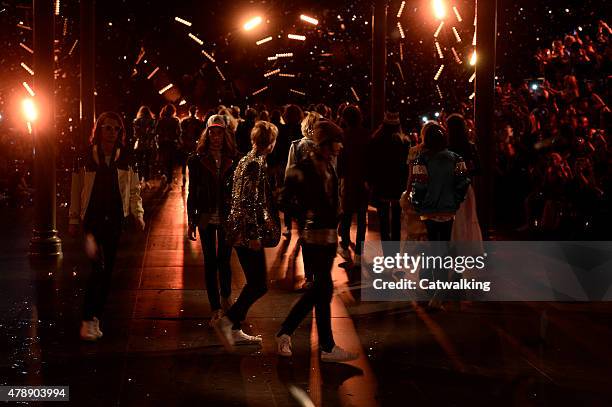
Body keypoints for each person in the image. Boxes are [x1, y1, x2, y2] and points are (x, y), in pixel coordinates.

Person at [276, 120, 359, 363]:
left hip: (328, 237)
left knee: (322, 292)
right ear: (326, 143)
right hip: (313, 239)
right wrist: (304, 216)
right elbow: (284, 199)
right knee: (321, 290)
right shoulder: (303, 168)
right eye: (337, 141)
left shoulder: (327, 166)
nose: (340, 146)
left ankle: (326, 346)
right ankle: (287, 332)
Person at [69, 112, 145, 341]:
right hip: (92, 219)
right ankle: (88, 318)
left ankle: (94, 318)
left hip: (114, 219)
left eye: (115, 129)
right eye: (107, 128)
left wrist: (137, 213)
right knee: (98, 268)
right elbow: (75, 189)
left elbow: (134, 190)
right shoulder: (86, 158)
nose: (111, 132)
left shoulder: (126, 159)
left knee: (107, 270)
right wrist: (73, 219)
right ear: (99, 130)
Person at [214, 121, 281, 349]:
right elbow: (249, 201)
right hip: (247, 233)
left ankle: (233, 326)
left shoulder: (246, 160)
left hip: (238, 231)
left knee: (256, 282)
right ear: (270, 142)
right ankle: (229, 321)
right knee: (259, 284)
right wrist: (253, 234)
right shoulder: (255, 164)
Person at [409, 122, 470, 308]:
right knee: (443, 248)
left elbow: (418, 186)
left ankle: (437, 290)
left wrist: (418, 204)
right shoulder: (456, 158)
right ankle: (440, 290)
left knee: (434, 249)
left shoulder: (422, 159)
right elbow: (463, 182)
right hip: (448, 211)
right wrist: (455, 201)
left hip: (429, 211)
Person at [187, 115, 237, 324]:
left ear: (225, 134)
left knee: (224, 260)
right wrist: (191, 220)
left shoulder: (234, 158)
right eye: (212, 132)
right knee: (210, 262)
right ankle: (215, 307)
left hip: (226, 216)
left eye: (219, 132)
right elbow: (193, 191)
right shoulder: (196, 160)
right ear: (206, 134)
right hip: (207, 216)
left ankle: (226, 297)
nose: (216, 137)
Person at [367, 112, 409, 257]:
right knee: (397, 219)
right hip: (398, 185)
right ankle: (395, 252)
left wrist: (371, 182)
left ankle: (387, 253)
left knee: (383, 220)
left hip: (381, 184)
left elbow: (371, 164)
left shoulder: (376, 140)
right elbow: (407, 166)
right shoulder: (404, 142)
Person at [337, 105, 369, 266]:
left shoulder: (343, 136)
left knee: (346, 214)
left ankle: (344, 244)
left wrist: (340, 178)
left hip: (348, 180)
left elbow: (340, 161)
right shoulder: (366, 135)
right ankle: (359, 254)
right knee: (362, 218)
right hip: (363, 180)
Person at [446, 114, 483, 242]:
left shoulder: (445, 147)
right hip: (465, 187)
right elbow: (479, 169)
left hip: (449, 188)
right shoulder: (470, 146)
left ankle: (453, 247)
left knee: (452, 221)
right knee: (467, 218)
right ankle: (467, 246)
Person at [155, 104, 181, 187]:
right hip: (172, 142)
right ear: (173, 111)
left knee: (163, 160)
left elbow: (156, 131)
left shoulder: (161, 120)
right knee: (170, 162)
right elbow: (179, 132)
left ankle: (163, 174)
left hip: (162, 142)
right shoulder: (176, 120)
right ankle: (169, 181)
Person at [132, 106, 157, 189]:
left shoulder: (137, 121)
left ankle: (139, 181)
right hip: (149, 144)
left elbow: (135, 134)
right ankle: (146, 181)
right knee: (147, 163)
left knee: (139, 164)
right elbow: (153, 133)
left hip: (139, 144)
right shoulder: (152, 121)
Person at [180, 106, 204, 188]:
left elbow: (181, 133)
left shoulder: (185, 121)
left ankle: (184, 177)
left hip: (186, 144)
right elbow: (201, 134)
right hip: (194, 144)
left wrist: (182, 141)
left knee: (184, 161)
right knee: (193, 161)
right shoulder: (198, 122)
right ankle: (192, 178)